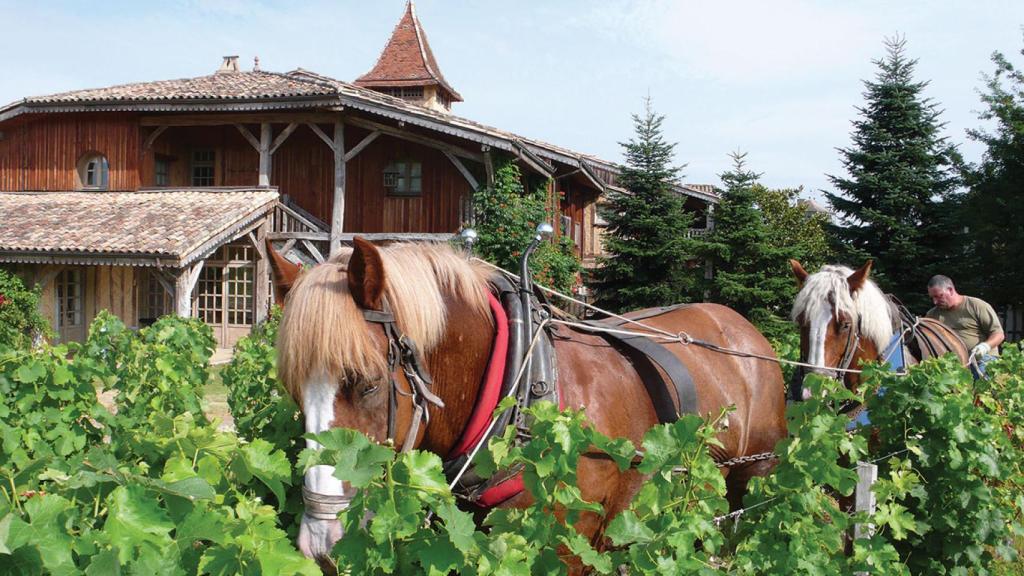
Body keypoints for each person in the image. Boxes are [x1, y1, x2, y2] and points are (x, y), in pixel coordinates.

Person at [926, 275, 1005, 377]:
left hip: (982, 360)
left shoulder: (976, 305)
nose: (935, 301)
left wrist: (985, 347)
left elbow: (998, 334)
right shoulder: (932, 315)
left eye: (938, 296)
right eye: (932, 297)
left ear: (950, 290)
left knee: (983, 383)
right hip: (951, 365)